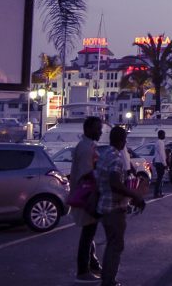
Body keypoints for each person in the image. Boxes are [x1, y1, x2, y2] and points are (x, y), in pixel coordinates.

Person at [95, 126, 147, 286]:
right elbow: (115, 182)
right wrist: (135, 195)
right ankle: (109, 280)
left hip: (104, 205)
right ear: (122, 141)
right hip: (114, 208)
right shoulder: (116, 158)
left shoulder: (104, 155)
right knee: (116, 245)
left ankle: (106, 278)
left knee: (112, 243)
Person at [70, 116, 102, 282]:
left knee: (90, 232)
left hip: (87, 195)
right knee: (88, 233)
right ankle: (83, 271)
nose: (101, 131)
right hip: (87, 197)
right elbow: (87, 175)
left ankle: (93, 264)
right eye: (98, 128)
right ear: (88, 129)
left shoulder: (88, 146)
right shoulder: (85, 149)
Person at [152, 129, 167, 198]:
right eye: (164, 134)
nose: (165, 136)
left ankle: (159, 192)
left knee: (159, 178)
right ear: (161, 135)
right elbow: (161, 154)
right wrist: (165, 164)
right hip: (160, 162)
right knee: (160, 178)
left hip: (158, 162)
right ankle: (157, 193)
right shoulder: (160, 142)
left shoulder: (157, 142)